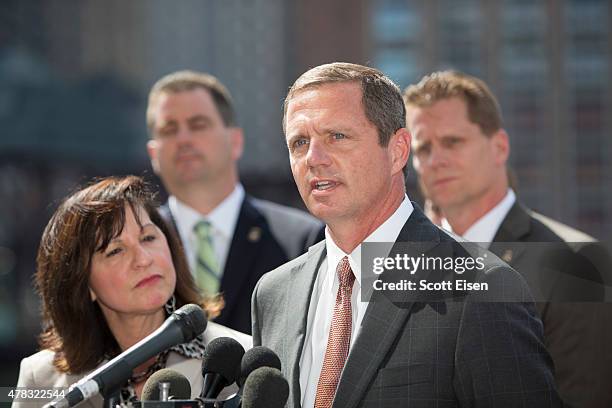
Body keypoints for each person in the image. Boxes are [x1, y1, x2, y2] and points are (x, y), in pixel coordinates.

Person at [252, 62, 561, 407]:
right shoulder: (274, 293)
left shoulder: (481, 289)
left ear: (398, 150)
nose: (314, 158)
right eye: (299, 142)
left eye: (336, 136)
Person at [404, 70, 612, 408]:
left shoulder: (578, 263)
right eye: (423, 148)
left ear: (499, 146)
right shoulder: (393, 260)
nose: (435, 160)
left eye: (453, 142)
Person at [13, 176, 251, 408]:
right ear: (83, 284)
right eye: (115, 251)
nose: (144, 259)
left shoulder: (239, 360)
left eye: (148, 238)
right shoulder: (41, 377)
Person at [146, 70, 324, 334]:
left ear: (236, 141)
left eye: (198, 125)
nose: (183, 139)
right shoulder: (135, 249)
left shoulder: (302, 240)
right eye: (169, 129)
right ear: (153, 153)